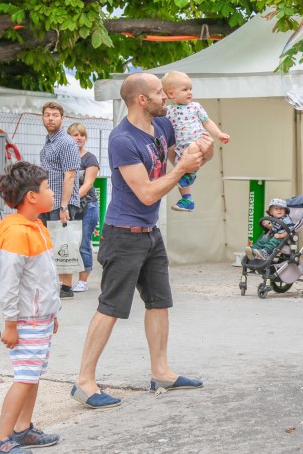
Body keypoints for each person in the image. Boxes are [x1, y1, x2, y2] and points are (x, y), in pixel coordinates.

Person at [71, 73, 212, 409]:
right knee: (111, 307)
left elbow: (182, 165)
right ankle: (84, 382)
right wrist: (180, 171)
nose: (167, 97)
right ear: (142, 100)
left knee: (159, 302)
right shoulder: (122, 140)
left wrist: (202, 154)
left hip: (150, 233)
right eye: (160, 93)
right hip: (123, 234)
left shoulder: (162, 127)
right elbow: (148, 193)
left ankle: (161, 371)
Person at [0, 162, 61, 453]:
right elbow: (9, 285)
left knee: (33, 376)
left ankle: (23, 429)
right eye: (47, 188)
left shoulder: (36, 227)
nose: (52, 193)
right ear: (31, 197)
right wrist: (11, 324)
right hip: (25, 321)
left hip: (39, 318)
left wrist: (52, 312)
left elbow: (44, 276)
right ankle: (1, 440)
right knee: (24, 378)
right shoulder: (17, 233)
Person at [162, 70, 230, 212]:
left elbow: (207, 122)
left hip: (198, 143)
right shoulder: (168, 111)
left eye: (190, 89)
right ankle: (187, 199)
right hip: (180, 149)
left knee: (190, 153)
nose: (190, 92)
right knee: (178, 165)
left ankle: (188, 176)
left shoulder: (195, 107)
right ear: (171, 94)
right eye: (185, 89)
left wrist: (218, 134)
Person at [39, 101, 81, 300]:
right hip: (47, 200)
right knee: (48, 243)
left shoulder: (66, 142)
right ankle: (52, 283)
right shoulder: (49, 142)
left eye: (55, 115)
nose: (50, 118)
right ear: (42, 118)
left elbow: (70, 176)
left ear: (62, 119)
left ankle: (66, 287)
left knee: (63, 242)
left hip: (61, 202)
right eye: (47, 115)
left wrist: (64, 205)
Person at [67, 123, 100, 293]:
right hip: (68, 206)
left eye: (82, 135)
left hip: (87, 205)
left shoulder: (90, 159)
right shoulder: (64, 157)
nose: (79, 138)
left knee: (83, 243)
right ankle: (65, 280)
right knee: (67, 243)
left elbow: (87, 184)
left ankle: (83, 280)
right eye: (75, 135)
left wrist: (68, 200)